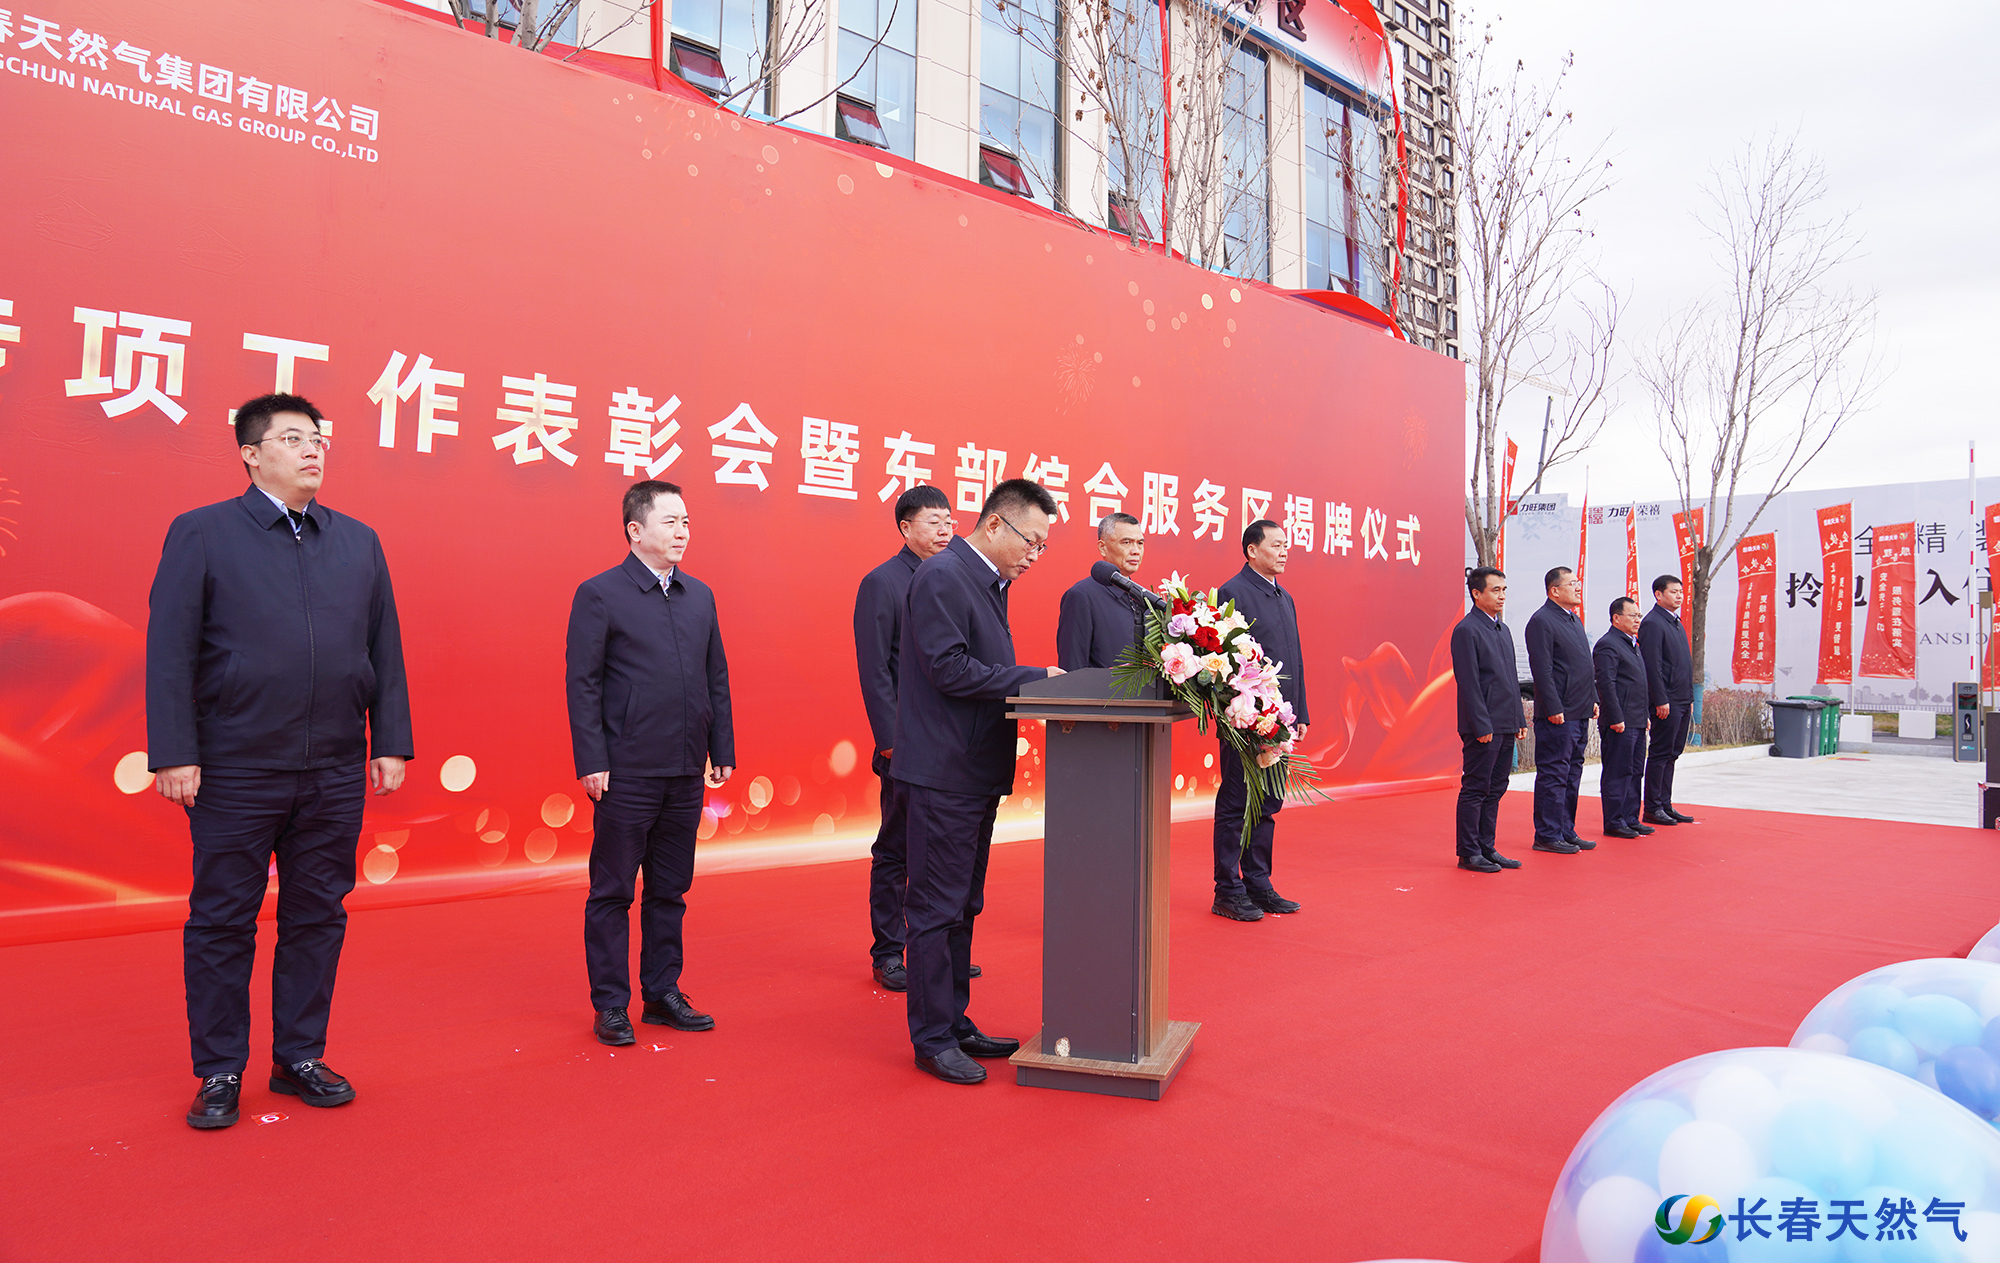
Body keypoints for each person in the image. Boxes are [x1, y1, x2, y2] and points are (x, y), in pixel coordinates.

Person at [147, 393, 413, 1131]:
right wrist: (175, 751)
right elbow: (169, 649)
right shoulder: (203, 533)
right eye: (293, 438)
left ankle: (298, 1054)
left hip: (333, 767)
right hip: (236, 765)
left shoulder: (357, 541)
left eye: (317, 439)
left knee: (317, 914)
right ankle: (220, 1068)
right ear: (250, 453)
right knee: (223, 919)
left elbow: (384, 646)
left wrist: (390, 739)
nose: (312, 449)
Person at [893, 478, 1063, 1085]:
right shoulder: (943, 575)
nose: (1034, 555)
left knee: (963, 904)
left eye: (1043, 546)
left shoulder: (986, 581)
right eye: (1031, 541)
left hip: (972, 771)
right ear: (995, 524)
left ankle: (954, 1020)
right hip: (943, 772)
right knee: (936, 908)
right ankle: (932, 1038)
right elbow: (948, 668)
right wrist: (1036, 679)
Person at [566, 480, 735, 1048]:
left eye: (686, 521)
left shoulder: (699, 595)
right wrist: (592, 758)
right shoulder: (600, 594)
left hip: (685, 768)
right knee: (613, 890)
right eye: (670, 521)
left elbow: (716, 676)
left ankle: (662, 993)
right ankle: (611, 1004)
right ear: (635, 530)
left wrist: (722, 747)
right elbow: (583, 683)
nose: (682, 531)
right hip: (626, 770)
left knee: (670, 888)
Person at [852, 485, 955, 993]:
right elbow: (874, 669)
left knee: (942, 852)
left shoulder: (955, 580)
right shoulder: (883, 582)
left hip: (950, 744)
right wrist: (890, 740)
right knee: (897, 849)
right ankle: (889, 952)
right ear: (905, 528)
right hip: (905, 745)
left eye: (950, 522)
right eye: (934, 522)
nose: (945, 531)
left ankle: (935, 951)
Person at [1211, 519, 1310, 920]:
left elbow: (1295, 658)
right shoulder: (1232, 592)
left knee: (1268, 803)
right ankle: (1227, 889)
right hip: (1246, 718)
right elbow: (1226, 661)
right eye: (1276, 545)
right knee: (1237, 802)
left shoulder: (1284, 596)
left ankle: (1258, 883)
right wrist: (1245, 714)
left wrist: (1300, 711)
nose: (1284, 552)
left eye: (1286, 545)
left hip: (1279, 720)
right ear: (1252, 550)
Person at [1449, 567, 1524, 872]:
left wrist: (1519, 718)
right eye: (1495, 590)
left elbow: (1510, 679)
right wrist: (1481, 725)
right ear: (1476, 593)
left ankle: (1486, 847)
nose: (1502, 595)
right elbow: (1468, 683)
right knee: (1476, 787)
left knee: (1496, 787)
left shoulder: (1502, 629)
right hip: (1483, 726)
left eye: (1504, 590)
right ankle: (1469, 852)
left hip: (1505, 721)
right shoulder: (1467, 630)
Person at [1524, 566, 1598, 855]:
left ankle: (1566, 830)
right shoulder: (1541, 621)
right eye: (1572, 583)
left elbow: (1584, 665)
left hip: (1579, 710)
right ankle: (1547, 834)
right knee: (1554, 773)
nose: (1578, 587)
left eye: (1578, 582)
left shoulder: (1573, 619)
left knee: (1572, 773)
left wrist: (1593, 698)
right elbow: (1542, 669)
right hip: (1559, 713)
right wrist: (1553, 706)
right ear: (1554, 590)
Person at [1638, 574, 1698, 827]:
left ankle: (1665, 803)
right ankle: (1653, 807)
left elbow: (1683, 664)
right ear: (1658, 594)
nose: (1679, 596)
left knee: (1673, 753)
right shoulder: (1653, 623)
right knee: (1661, 752)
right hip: (1667, 701)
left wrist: (1689, 697)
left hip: (1682, 699)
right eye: (1673, 592)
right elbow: (1652, 666)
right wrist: (1660, 699)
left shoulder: (1675, 622)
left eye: (1681, 592)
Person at [1593, 596, 1654, 840]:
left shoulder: (1632, 644)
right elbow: (1606, 684)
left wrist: (1645, 715)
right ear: (1616, 618)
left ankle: (1630, 818)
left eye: (1639, 616)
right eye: (1633, 616)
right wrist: (1616, 717)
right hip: (1619, 721)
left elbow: (1639, 684)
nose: (1637, 620)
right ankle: (1614, 821)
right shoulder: (1608, 645)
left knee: (1635, 770)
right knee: (1618, 771)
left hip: (1637, 719)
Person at [1056, 512, 1147, 670]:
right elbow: (1072, 669)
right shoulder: (1082, 596)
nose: (1136, 551)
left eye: (1140, 543)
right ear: (1102, 548)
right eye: (1126, 542)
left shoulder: (1144, 598)